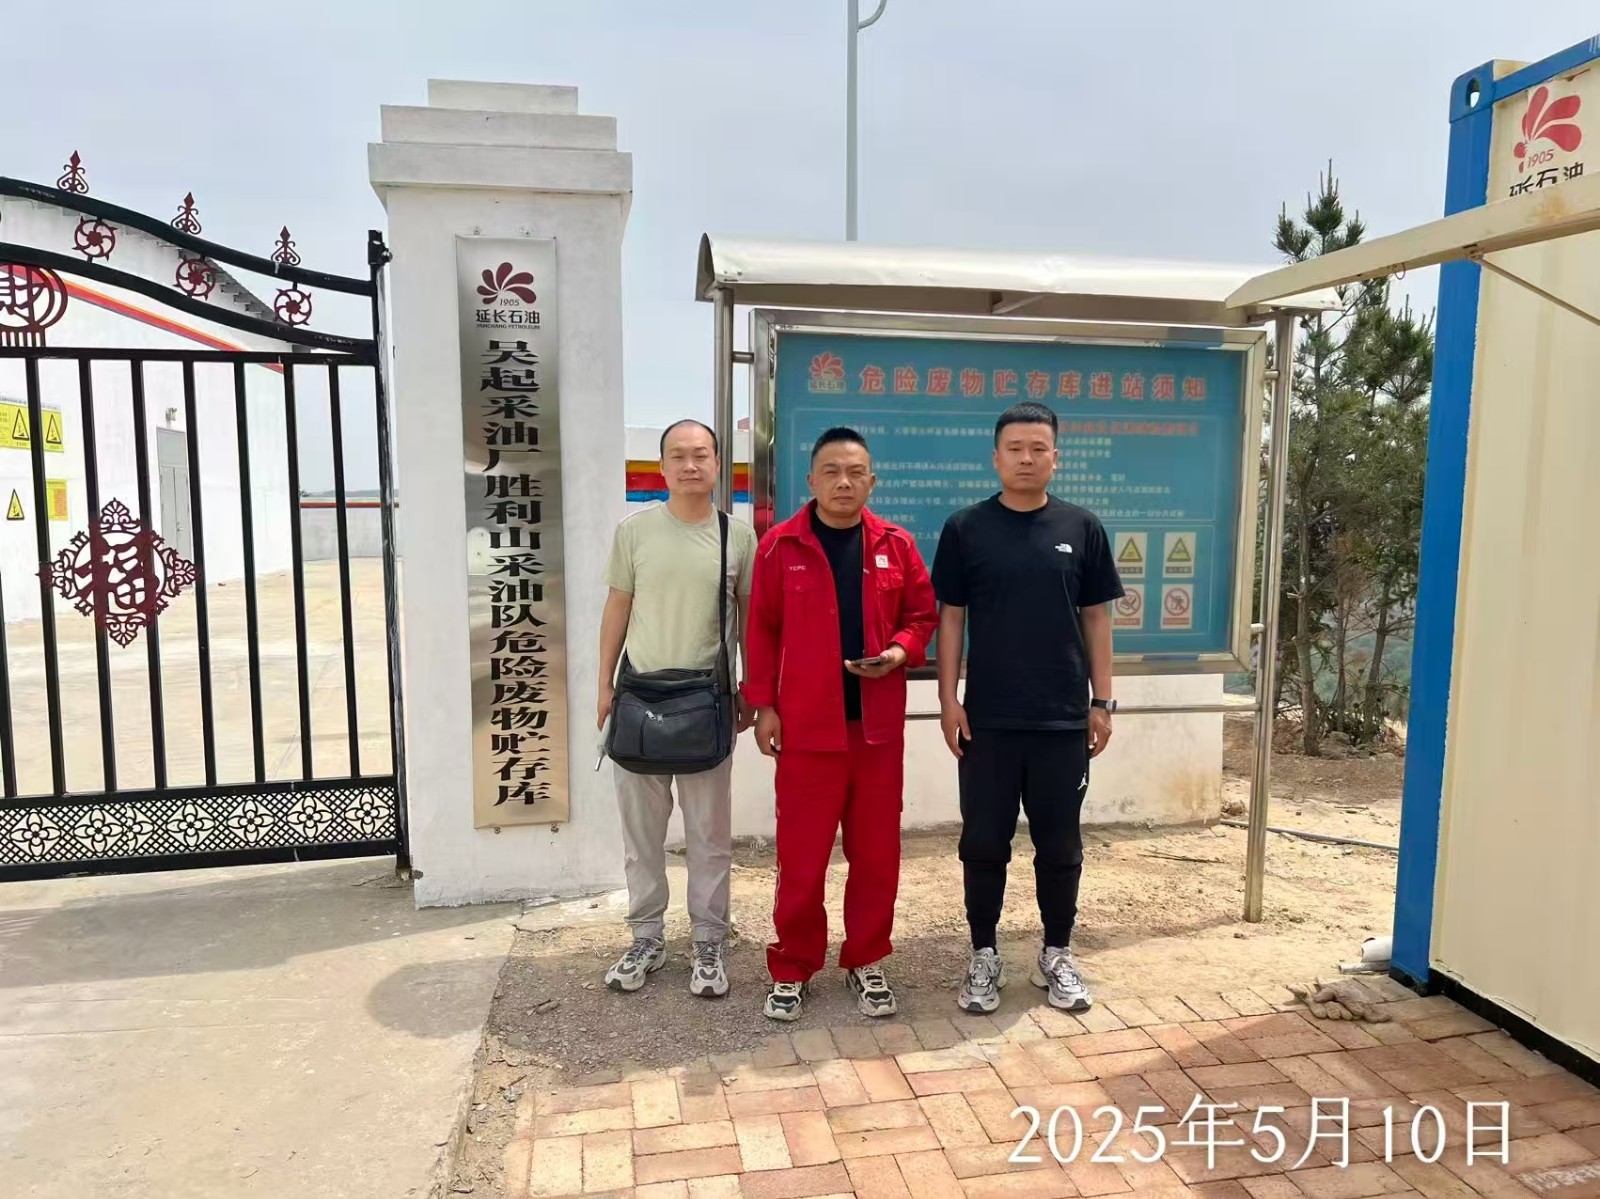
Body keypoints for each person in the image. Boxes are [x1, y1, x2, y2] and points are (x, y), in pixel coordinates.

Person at [930, 401, 1123, 1014]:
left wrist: (1102, 701)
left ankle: (1056, 953)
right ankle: (984, 954)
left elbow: (1097, 620)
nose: (1026, 458)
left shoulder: (1082, 527)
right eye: (1015, 448)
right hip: (987, 720)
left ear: (1055, 458)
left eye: (1038, 448)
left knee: (1060, 845)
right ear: (996, 457)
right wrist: (948, 700)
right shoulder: (965, 528)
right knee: (984, 842)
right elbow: (951, 619)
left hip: (1062, 720)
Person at [745, 427, 937, 1021]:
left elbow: (921, 615)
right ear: (812, 480)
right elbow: (761, 630)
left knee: (876, 855)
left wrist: (899, 653)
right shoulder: (779, 547)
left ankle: (866, 959)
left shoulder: (897, 545)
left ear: (871, 481)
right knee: (801, 858)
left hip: (875, 732)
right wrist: (764, 706)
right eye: (831, 471)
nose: (844, 482)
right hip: (806, 731)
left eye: (855, 472)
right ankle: (793, 965)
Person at [597, 419, 758, 998]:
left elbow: (748, 623)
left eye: (701, 455)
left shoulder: (737, 537)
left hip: (706, 705)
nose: (690, 465)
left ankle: (709, 941)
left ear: (718, 464)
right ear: (661, 467)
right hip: (638, 701)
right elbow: (617, 608)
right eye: (678, 456)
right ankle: (646, 937)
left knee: (709, 836)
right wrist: (603, 686)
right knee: (641, 836)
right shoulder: (634, 532)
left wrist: (750, 690)